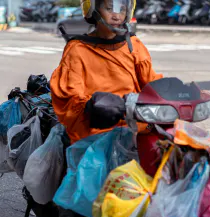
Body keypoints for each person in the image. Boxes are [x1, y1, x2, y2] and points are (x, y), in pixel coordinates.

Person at [50, 0, 163, 144]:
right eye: (110, 8)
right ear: (93, 9)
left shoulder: (133, 45)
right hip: (95, 137)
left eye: (122, 9)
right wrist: (97, 107)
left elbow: (152, 83)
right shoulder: (77, 49)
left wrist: (179, 94)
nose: (117, 16)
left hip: (135, 129)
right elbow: (71, 100)